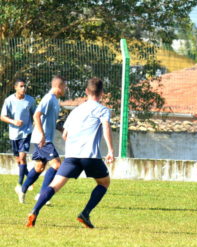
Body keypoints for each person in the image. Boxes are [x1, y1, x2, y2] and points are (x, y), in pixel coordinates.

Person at [26, 77, 114, 228]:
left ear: (86, 91)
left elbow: (65, 134)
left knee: (54, 185)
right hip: (89, 155)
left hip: (72, 155)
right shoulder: (103, 110)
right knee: (104, 183)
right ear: (102, 93)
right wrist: (111, 150)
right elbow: (106, 127)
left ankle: (34, 210)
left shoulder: (76, 110)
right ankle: (85, 213)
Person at [15, 75, 66, 203]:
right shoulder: (48, 98)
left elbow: (51, 120)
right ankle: (42, 194)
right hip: (43, 139)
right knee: (57, 165)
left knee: (39, 167)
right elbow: (36, 115)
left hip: (43, 138)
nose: (66, 89)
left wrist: (61, 129)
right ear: (58, 87)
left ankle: (22, 189)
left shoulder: (55, 100)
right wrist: (42, 134)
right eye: (64, 86)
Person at [1, 79, 36, 188]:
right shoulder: (9, 100)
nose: (23, 88)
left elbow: (35, 115)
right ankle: (29, 178)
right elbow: (2, 117)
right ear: (15, 88)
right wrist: (13, 121)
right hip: (13, 134)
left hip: (26, 133)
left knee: (22, 157)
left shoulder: (30, 100)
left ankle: (20, 184)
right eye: (21, 86)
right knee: (18, 159)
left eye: (24, 86)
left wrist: (35, 125)